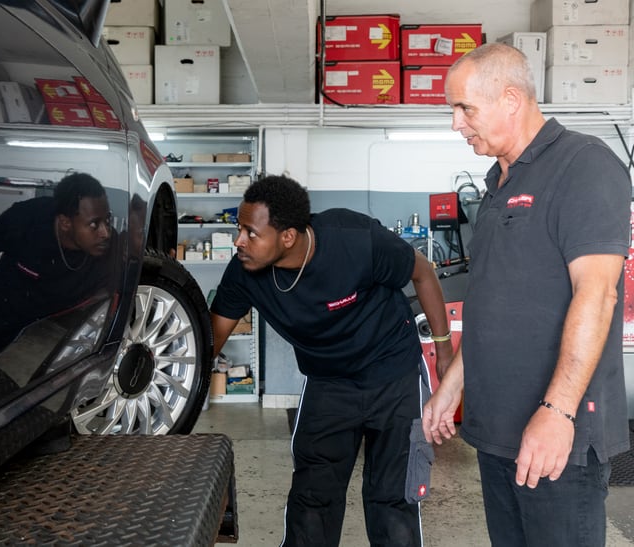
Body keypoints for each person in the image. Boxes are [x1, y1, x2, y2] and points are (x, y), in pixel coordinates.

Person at [421, 42, 632, 547]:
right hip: (498, 432)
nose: (456, 124)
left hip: (557, 434)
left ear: (511, 100)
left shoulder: (584, 166)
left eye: (465, 108)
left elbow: (598, 294)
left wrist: (558, 413)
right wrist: (452, 385)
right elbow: (494, 302)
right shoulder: (496, 182)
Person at [210, 174, 453, 546]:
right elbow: (212, 337)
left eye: (251, 233)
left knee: (391, 499)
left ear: (287, 237)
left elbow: (422, 273)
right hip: (327, 382)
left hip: (394, 375)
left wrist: (444, 353)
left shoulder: (355, 239)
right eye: (238, 229)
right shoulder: (244, 272)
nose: (239, 241)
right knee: (313, 497)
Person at [0, 172, 113, 342]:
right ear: (65, 223)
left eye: (107, 220)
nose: (105, 233)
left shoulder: (109, 250)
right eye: (94, 224)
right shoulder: (26, 219)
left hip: (45, 337)